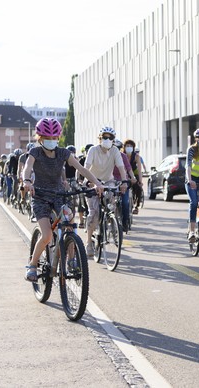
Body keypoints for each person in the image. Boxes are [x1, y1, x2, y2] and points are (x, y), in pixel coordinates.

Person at [21, 118, 103, 282]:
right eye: (47, 138)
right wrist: (27, 181)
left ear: (58, 138)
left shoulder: (63, 153)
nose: (51, 141)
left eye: (54, 138)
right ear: (40, 138)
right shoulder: (35, 153)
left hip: (59, 196)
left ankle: (71, 259)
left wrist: (97, 183)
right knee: (47, 236)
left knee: (70, 226)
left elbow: (81, 168)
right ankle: (32, 264)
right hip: (40, 197)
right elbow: (27, 168)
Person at [84, 127, 129, 255]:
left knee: (111, 205)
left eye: (110, 138)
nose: (107, 140)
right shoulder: (93, 150)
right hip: (92, 181)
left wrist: (124, 182)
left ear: (113, 140)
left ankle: (112, 225)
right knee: (94, 213)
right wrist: (87, 181)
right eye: (105, 137)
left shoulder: (115, 151)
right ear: (100, 138)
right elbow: (86, 167)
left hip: (108, 182)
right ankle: (89, 242)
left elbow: (121, 167)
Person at [113, 139, 137, 232]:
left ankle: (125, 222)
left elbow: (129, 168)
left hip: (123, 181)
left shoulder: (123, 156)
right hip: (111, 181)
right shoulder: (108, 156)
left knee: (125, 203)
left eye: (118, 148)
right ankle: (109, 220)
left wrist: (133, 177)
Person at [124, 139, 143, 214]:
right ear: (124, 147)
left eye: (130, 146)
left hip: (134, 174)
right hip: (124, 174)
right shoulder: (122, 155)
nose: (129, 147)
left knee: (138, 188)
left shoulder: (136, 156)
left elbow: (139, 170)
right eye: (127, 146)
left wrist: (140, 181)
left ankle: (136, 206)